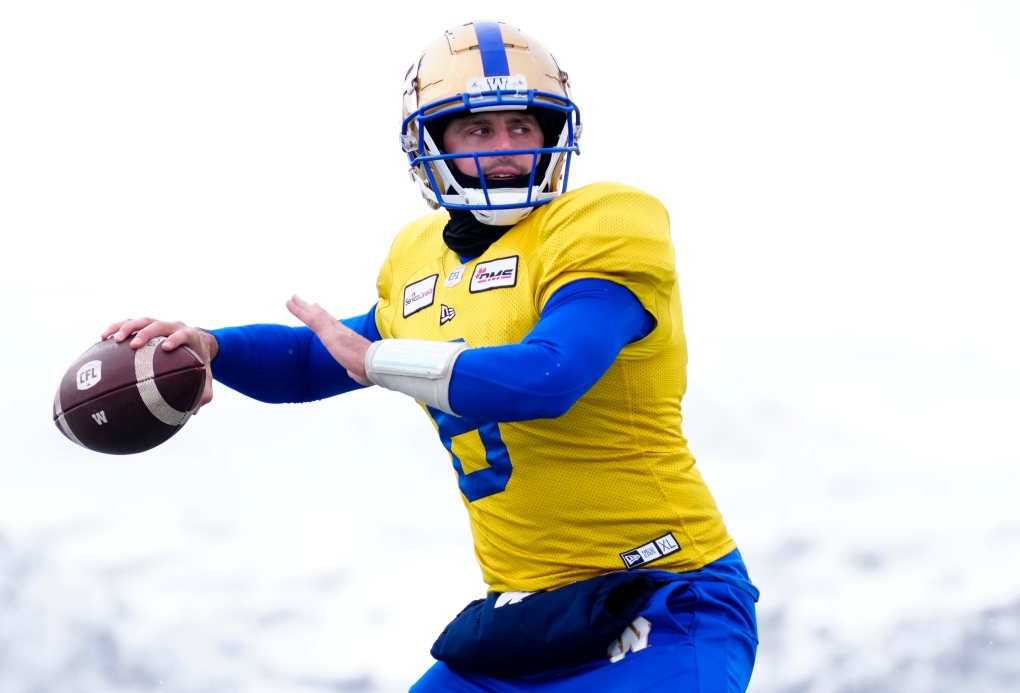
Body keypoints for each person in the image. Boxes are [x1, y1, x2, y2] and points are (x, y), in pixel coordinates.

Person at [103, 20, 759, 692]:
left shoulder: (604, 221)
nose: (505, 151)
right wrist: (210, 345)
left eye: (522, 128)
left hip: (667, 598)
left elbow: (549, 375)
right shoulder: (420, 259)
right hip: (526, 614)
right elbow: (312, 360)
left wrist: (381, 360)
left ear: (553, 134)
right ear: (431, 143)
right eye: (478, 130)